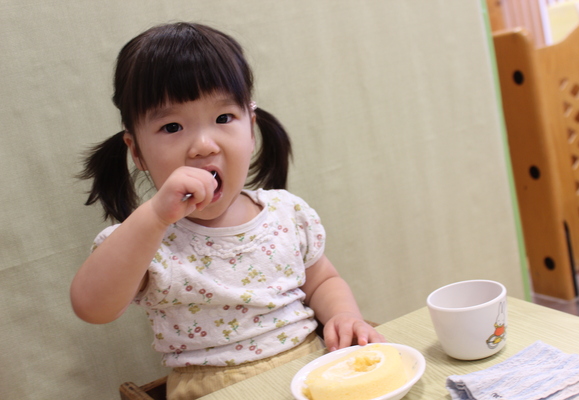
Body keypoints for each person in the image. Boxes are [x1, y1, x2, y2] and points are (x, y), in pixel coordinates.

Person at [70, 22, 384, 400]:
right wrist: (154, 217)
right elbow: (92, 307)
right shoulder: (146, 240)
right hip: (213, 389)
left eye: (223, 119)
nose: (204, 145)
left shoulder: (285, 214)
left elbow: (323, 282)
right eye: (172, 126)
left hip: (310, 372)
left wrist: (343, 316)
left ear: (251, 128)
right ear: (136, 151)